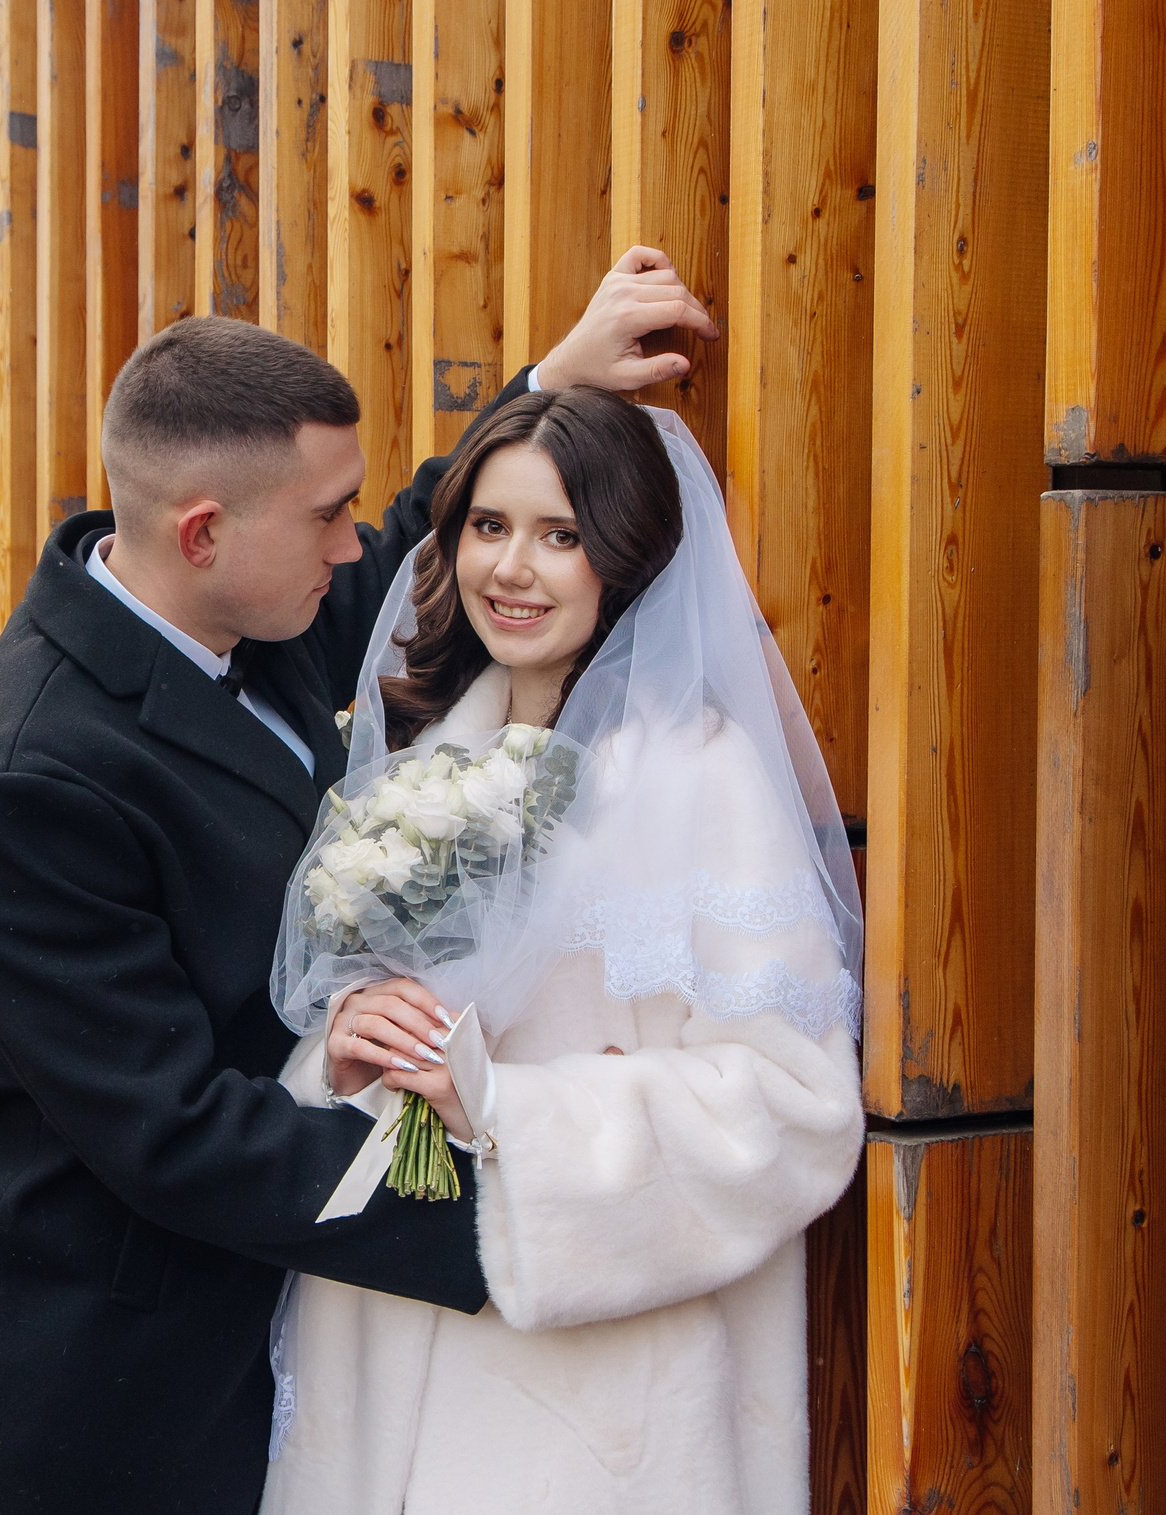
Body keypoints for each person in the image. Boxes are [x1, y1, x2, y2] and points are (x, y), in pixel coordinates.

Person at [0, 250, 720, 1515]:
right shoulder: (23, 789)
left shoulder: (232, 613)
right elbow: (175, 1132)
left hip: (238, 1315)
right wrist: (530, 1214)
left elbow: (406, 558)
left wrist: (552, 384)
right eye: (326, 515)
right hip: (93, 1380)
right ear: (205, 530)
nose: (356, 541)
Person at [261, 388, 865, 1514]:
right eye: (489, 527)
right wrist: (348, 1048)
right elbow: (364, 1029)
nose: (513, 570)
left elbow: (798, 1105)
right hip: (390, 1336)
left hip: (597, 1402)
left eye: (561, 535)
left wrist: (506, 1109)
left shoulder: (700, 774)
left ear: (623, 556)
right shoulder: (425, 754)